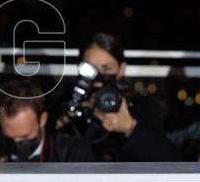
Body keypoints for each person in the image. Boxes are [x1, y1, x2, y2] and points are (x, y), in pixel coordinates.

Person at [56, 33, 179, 162]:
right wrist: (69, 118)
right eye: (90, 69)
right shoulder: (68, 99)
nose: (98, 78)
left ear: (121, 69)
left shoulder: (140, 105)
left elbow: (170, 159)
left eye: (107, 68)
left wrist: (130, 127)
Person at [0, 78, 95, 162]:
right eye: (9, 137)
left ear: (42, 119)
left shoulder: (73, 153)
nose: (16, 143)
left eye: (25, 136)